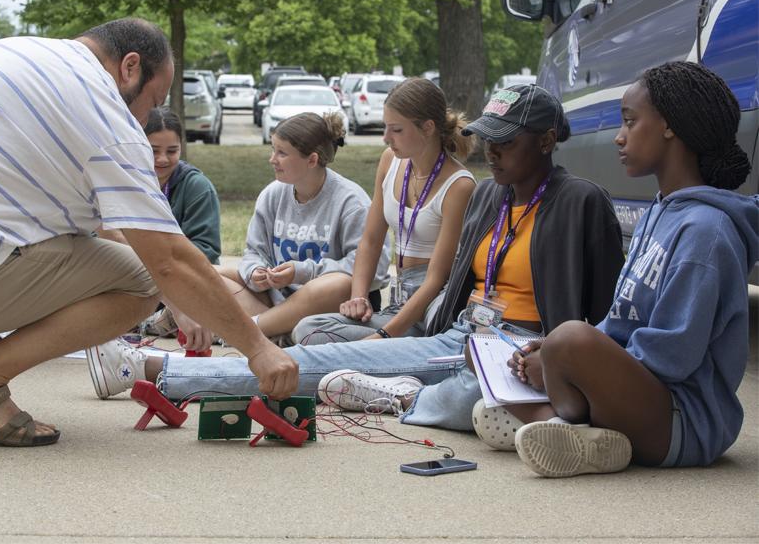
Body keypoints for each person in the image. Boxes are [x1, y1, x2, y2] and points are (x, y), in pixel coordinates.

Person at [87, 85, 624, 435]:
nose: (493, 152)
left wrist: (550, 362)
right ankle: (425, 393)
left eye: (507, 142)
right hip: (465, 335)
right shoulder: (491, 196)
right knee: (322, 346)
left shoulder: (578, 201)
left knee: (330, 365)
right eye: (489, 141)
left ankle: (156, 369)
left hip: (516, 347)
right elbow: (438, 277)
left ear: (549, 140)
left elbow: (600, 316)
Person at [0, 18, 298, 447]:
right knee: (141, 280)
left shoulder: (2, 53)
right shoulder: (107, 115)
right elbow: (166, 259)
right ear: (130, 67)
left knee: (38, 232)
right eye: (152, 99)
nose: (146, 117)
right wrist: (259, 349)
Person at [487, 62, 757, 478]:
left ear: (669, 126)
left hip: (681, 419)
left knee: (568, 339)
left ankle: (562, 422)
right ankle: (586, 439)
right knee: (497, 361)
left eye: (630, 122)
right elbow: (620, 323)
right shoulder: (659, 212)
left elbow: (673, 356)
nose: (619, 135)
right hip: (640, 394)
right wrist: (555, 358)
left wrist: (570, 362)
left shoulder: (708, 230)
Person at [85, 111, 390, 398]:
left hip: (323, 305)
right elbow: (253, 252)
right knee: (213, 271)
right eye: (273, 150)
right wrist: (255, 271)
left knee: (334, 283)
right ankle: (266, 332)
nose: (273, 159)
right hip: (273, 301)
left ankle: (251, 332)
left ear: (311, 159)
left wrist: (302, 271)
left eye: (282, 153)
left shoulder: (350, 200)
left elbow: (372, 268)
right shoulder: (273, 193)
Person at [292, 77, 476, 345]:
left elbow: (436, 279)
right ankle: (390, 355)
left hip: (432, 306)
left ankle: (401, 351)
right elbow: (371, 239)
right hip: (399, 304)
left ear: (427, 128)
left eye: (397, 130)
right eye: (385, 127)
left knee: (317, 338)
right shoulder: (390, 161)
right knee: (308, 328)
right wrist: (358, 297)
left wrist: (382, 335)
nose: (386, 138)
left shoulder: (459, 185)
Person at [100, 106, 221, 264]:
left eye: (172, 151)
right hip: (128, 274)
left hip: (186, 278)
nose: (162, 159)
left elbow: (207, 250)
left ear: (181, 147)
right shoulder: (119, 182)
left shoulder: (198, 187)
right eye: (153, 150)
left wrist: (155, 256)